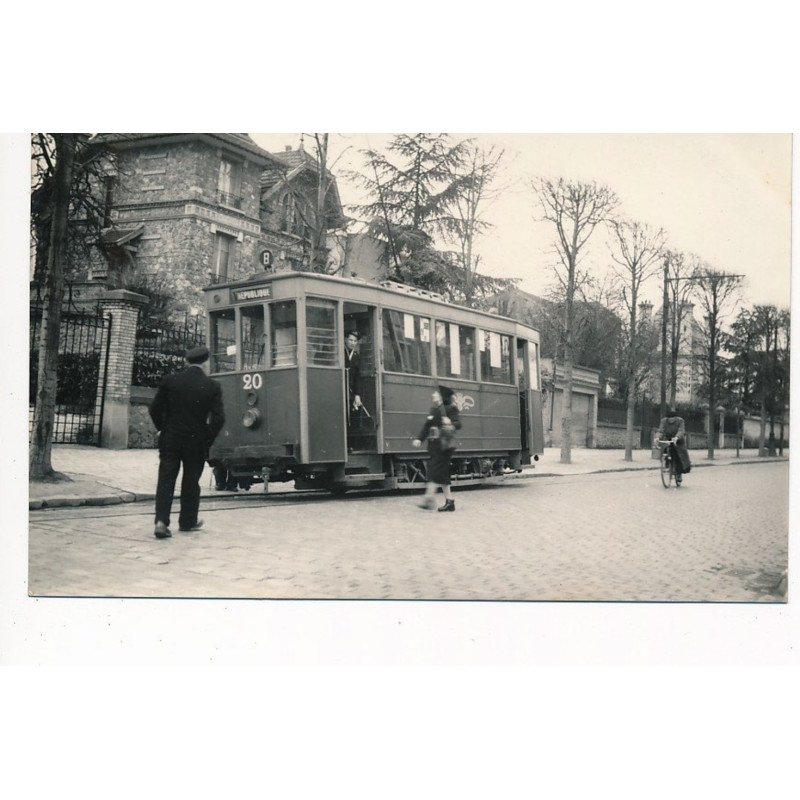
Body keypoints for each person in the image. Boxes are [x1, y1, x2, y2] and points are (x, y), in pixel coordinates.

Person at [148, 345, 225, 539]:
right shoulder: (212, 386)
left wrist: (162, 428)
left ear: (186, 362)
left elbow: (154, 409)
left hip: (170, 438)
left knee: (166, 479)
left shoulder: (170, 381)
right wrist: (207, 438)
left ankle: (161, 522)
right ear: (206, 362)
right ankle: (188, 521)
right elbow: (219, 419)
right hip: (196, 441)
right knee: (191, 481)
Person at [412, 385, 462, 511]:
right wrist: (419, 439)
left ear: (441, 396)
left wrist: (450, 423)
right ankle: (450, 502)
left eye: (435, 393)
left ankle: (428, 499)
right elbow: (427, 426)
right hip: (435, 446)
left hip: (444, 447)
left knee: (434, 471)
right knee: (442, 474)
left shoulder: (450, 408)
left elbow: (458, 423)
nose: (433, 395)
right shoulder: (434, 409)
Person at [656, 406, 691, 485]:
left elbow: (681, 430)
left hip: (678, 440)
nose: (671, 420)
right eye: (669, 418)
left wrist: (677, 437)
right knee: (664, 449)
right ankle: (666, 464)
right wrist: (657, 437)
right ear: (667, 418)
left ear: (676, 418)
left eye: (673, 418)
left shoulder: (680, 421)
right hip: (668, 439)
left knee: (680, 456)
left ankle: (679, 474)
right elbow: (661, 430)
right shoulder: (664, 421)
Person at [344, 330, 362, 416]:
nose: (352, 343)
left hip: (350, 391)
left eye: (355, 341)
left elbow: (357, 377)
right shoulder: (341, 352)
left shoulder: (356, 356)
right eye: (351, 340)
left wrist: (357, 394)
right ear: (346, 339)